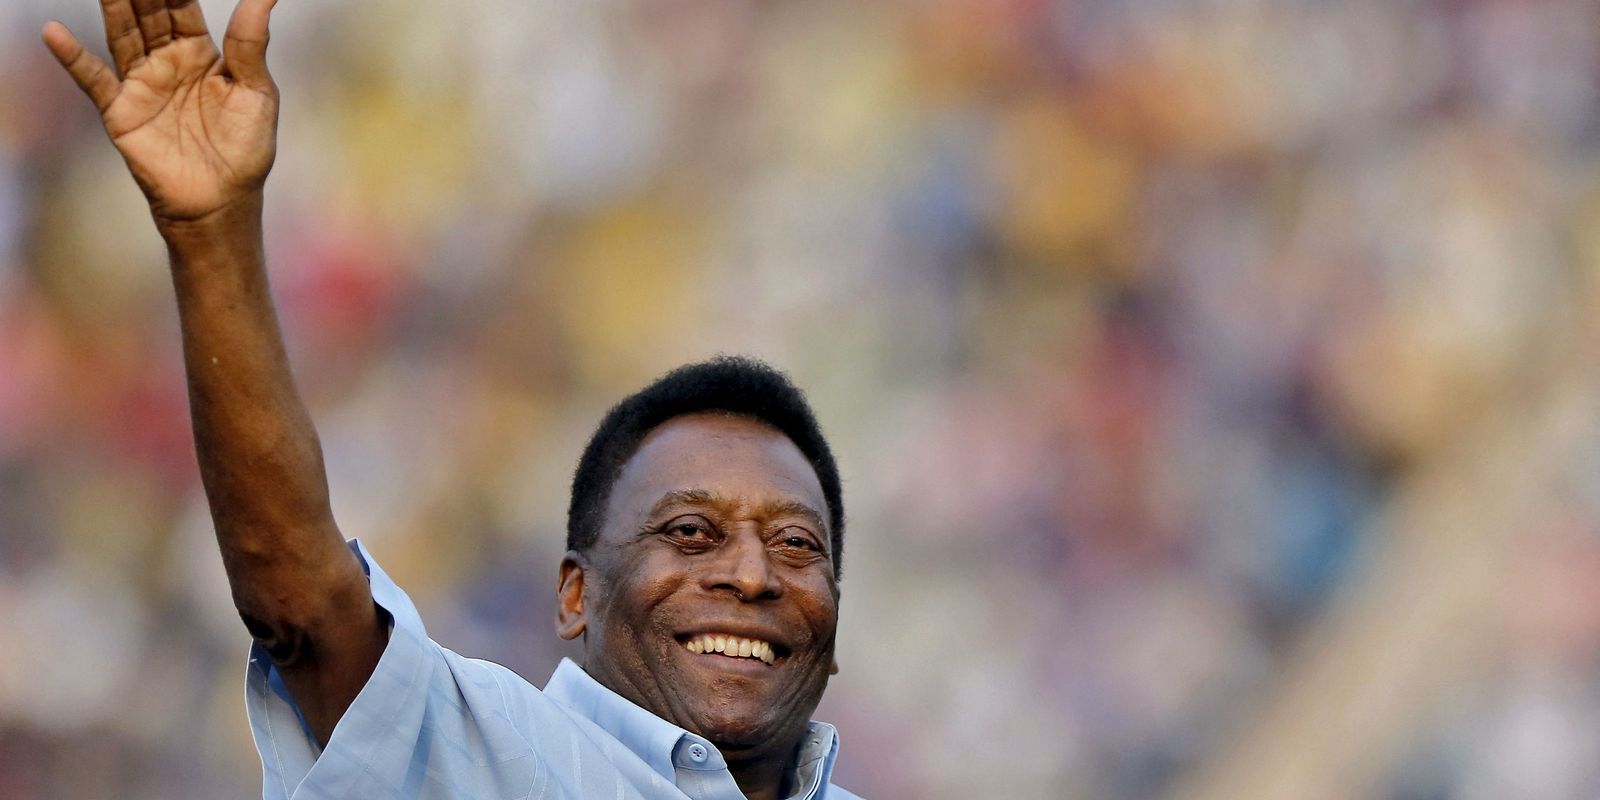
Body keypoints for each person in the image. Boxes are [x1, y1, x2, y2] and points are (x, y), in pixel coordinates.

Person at [41, 2, 863, 798]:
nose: (750, 574)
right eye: (689, 533)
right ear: (577, 596)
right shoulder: (495, 764)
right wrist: (212, 235)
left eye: (796, 544)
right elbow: (305, 605)